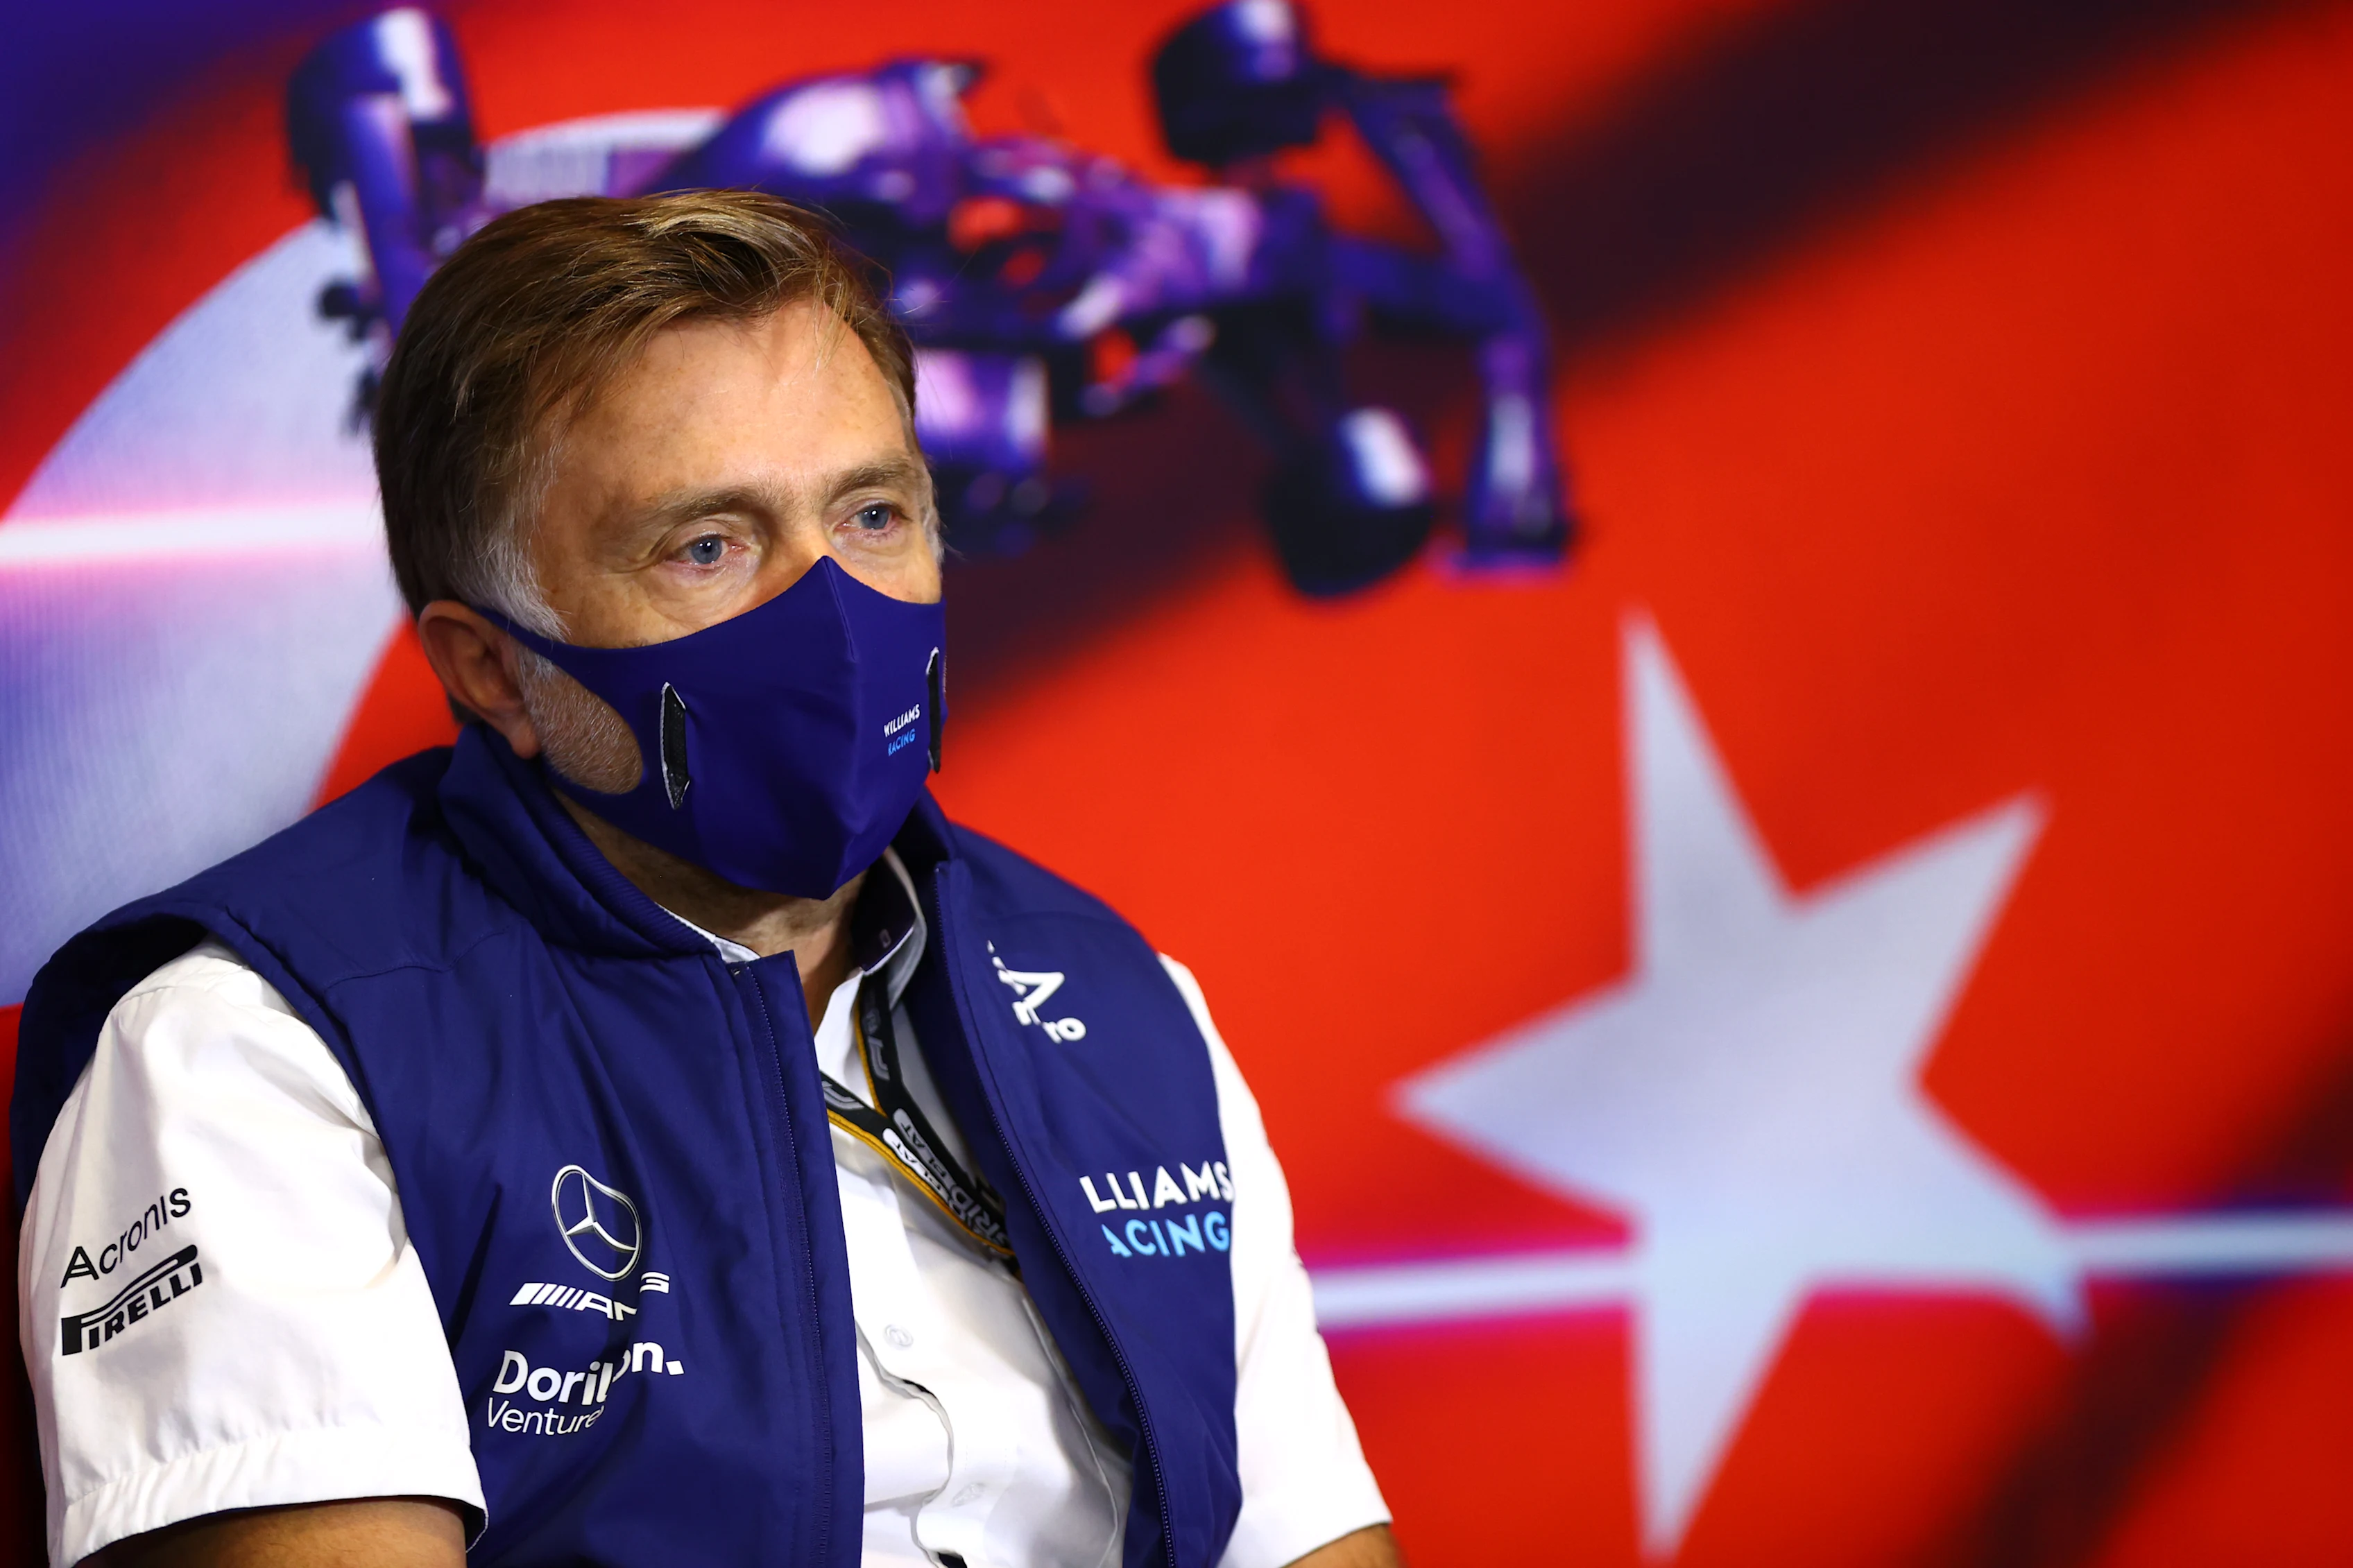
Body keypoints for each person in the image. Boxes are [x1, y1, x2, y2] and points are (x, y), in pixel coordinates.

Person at [11, 191, 1397, 1568]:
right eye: (707, 546)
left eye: (873, 513)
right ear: (493, 667)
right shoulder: (257, 1050)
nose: (831, 612)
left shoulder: (1121, 1004)